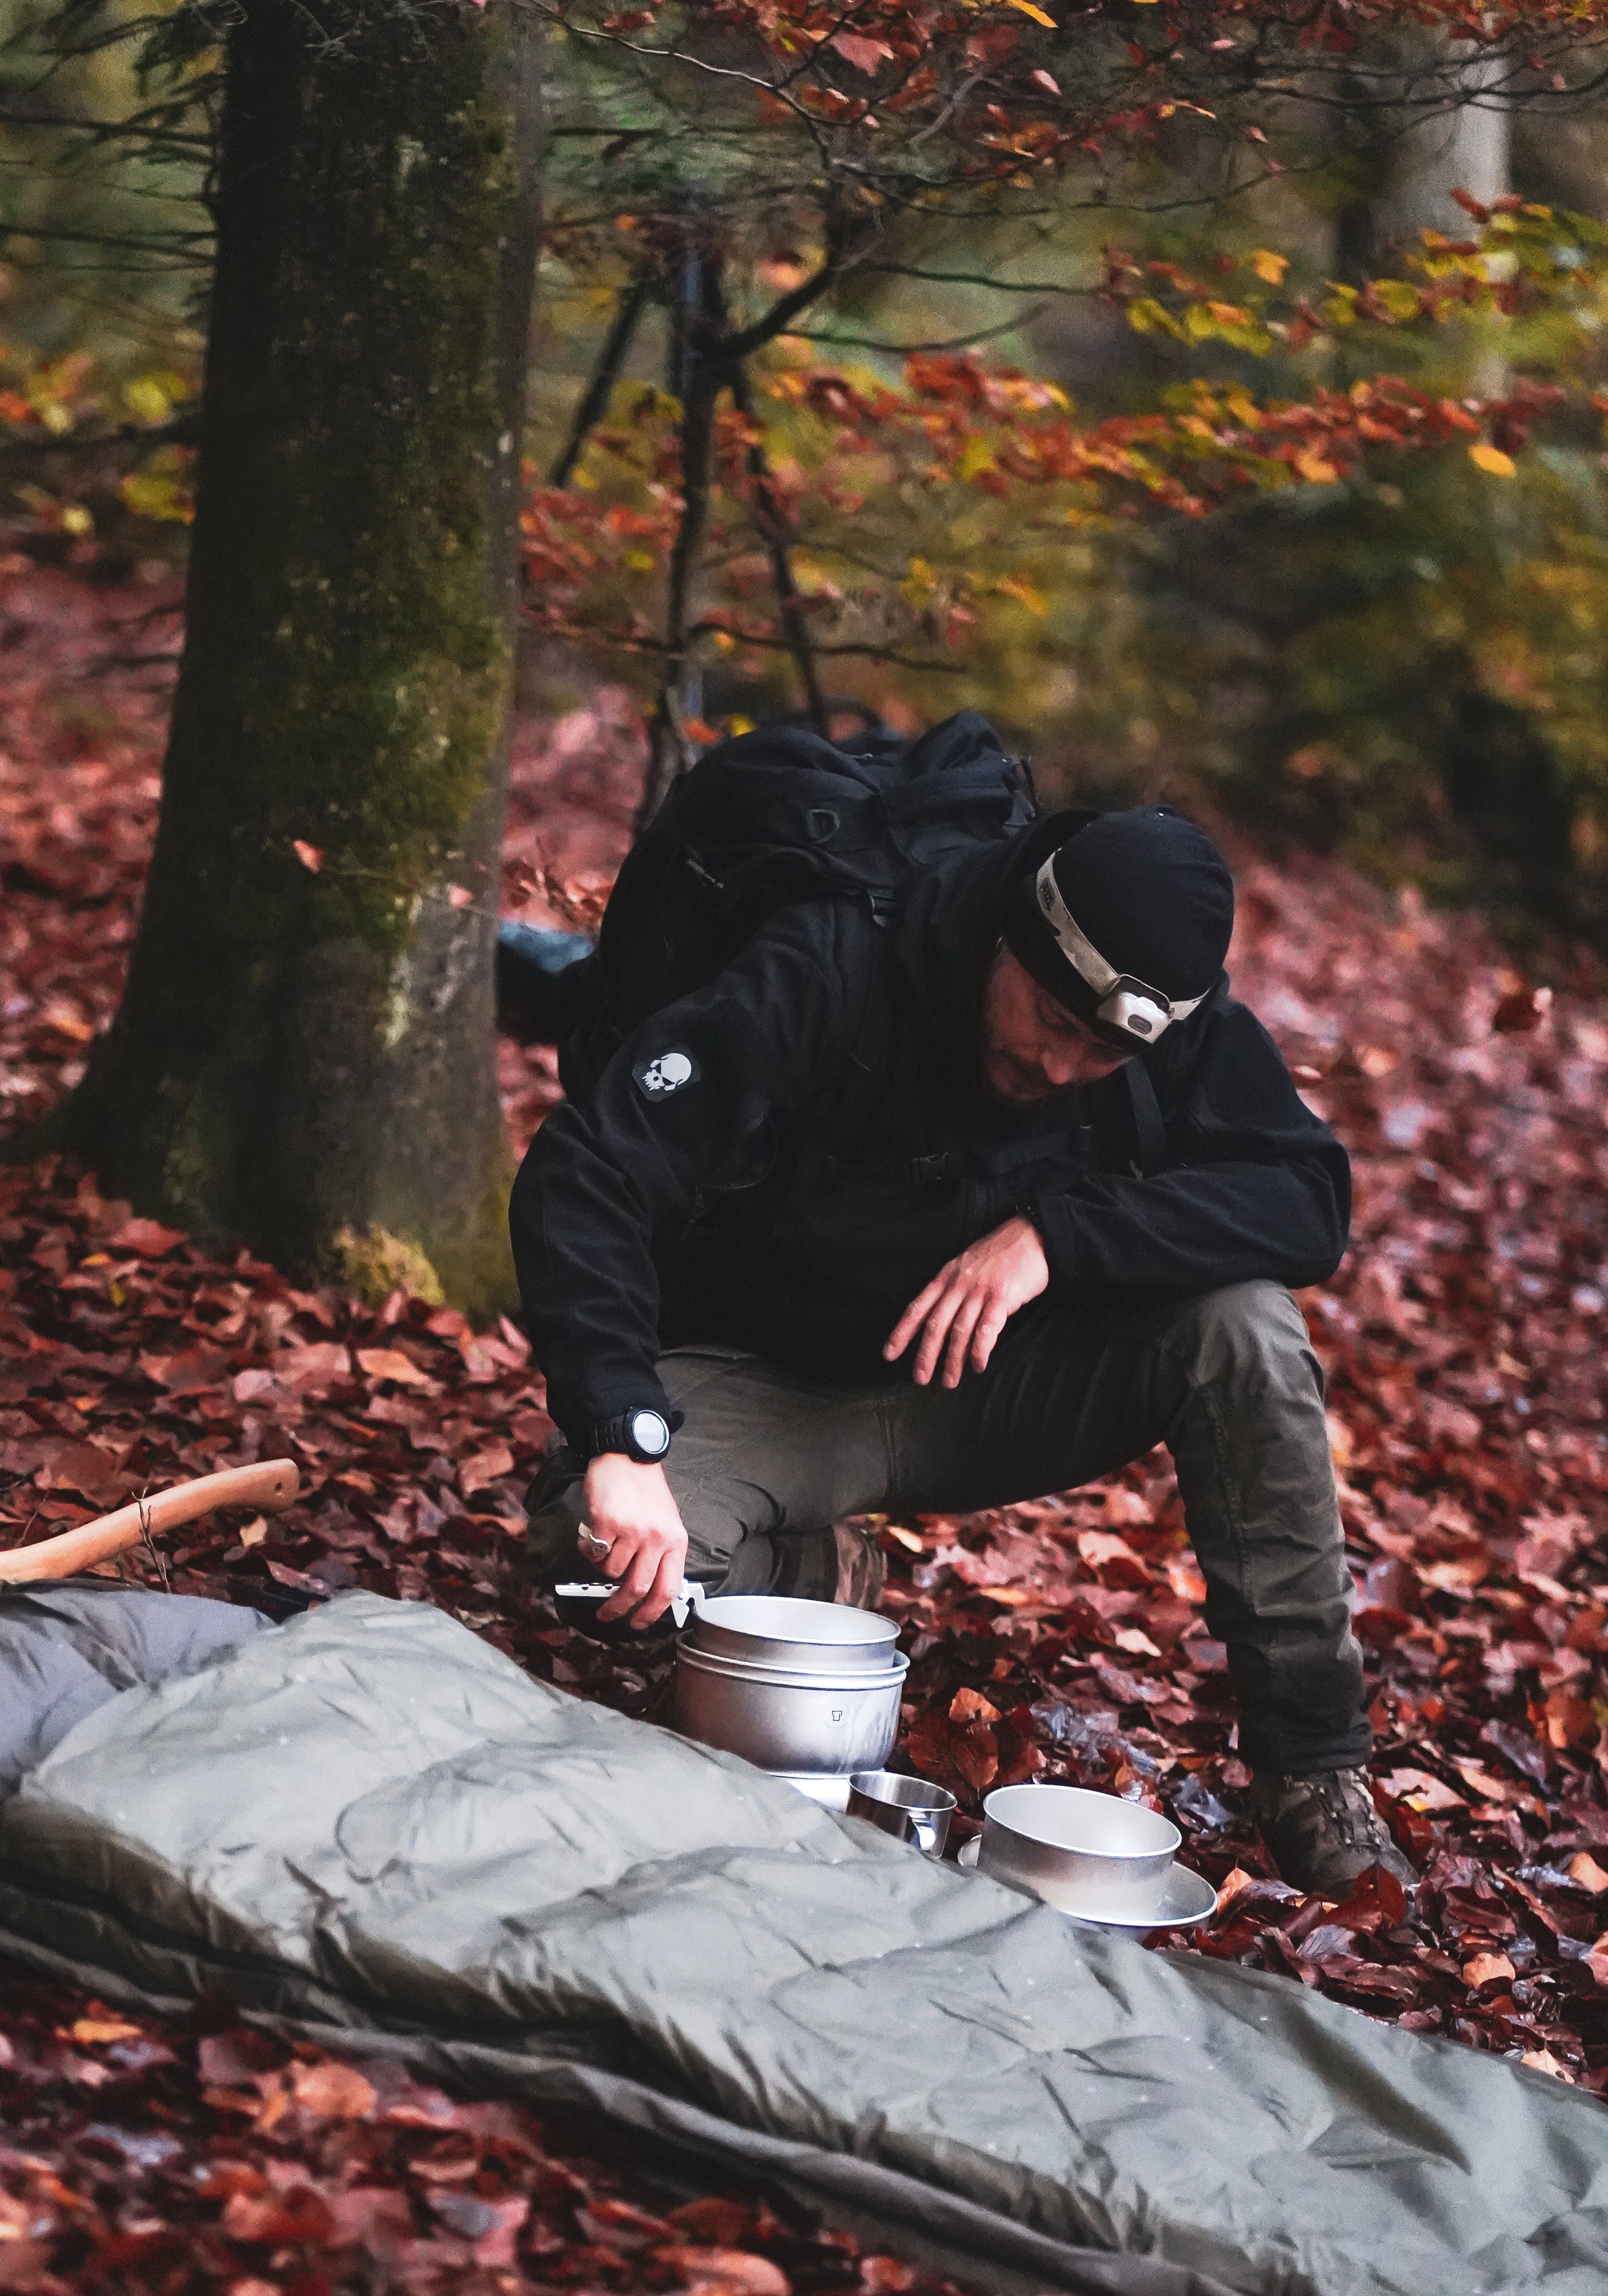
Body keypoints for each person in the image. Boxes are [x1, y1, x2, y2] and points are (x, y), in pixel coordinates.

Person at [508, 786, 1412, 1897]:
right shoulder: (835, 961)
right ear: (1010, 935)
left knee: (1248, 1327)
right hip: (768, 1380)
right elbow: (592, 1166)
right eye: (1051, 1019)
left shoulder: (1167, 1030)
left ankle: (1314, 1767)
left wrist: (1056, 1237)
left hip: (981, 1382)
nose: (1062, 1067)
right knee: (594, 1561)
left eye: (1101, 1053)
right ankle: (813, 1571)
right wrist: (617, 1435)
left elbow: (1307, 1201)